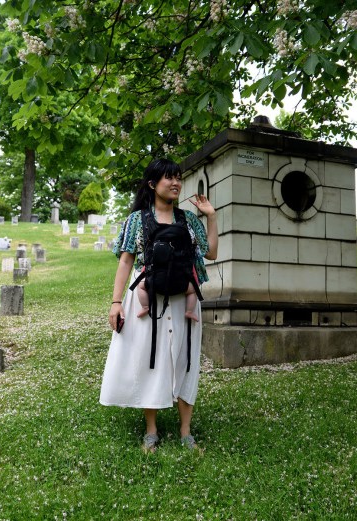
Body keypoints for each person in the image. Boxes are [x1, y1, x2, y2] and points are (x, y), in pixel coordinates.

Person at [99, 158, 218, 453]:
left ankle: (185, 431)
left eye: (178, 178)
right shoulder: (136, 220)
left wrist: (211, 217)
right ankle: (151, 429)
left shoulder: (189, 220)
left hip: (183, 299)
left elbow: (212, 253)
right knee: (147, 360)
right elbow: (126, 260)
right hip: (147, 298)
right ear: (153, 184)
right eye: (169, 178)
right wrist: (116, 303)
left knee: (185, 360)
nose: (176, 183)